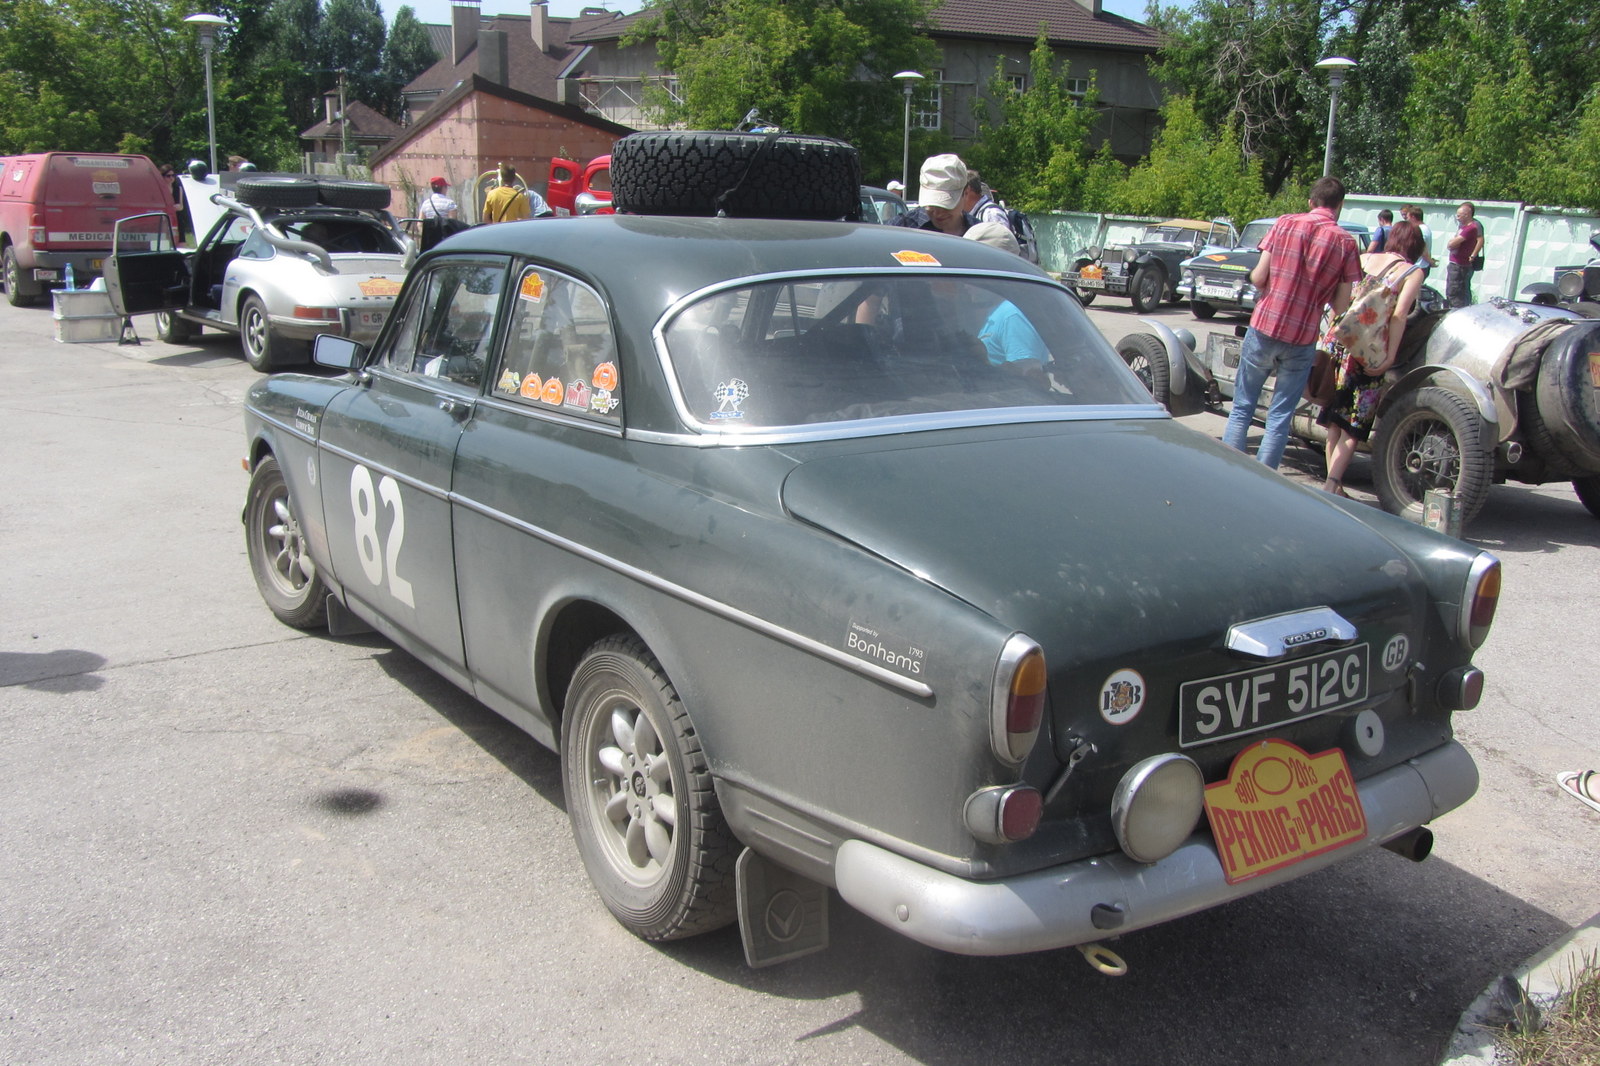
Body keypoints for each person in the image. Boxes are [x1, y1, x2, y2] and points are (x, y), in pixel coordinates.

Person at [1221, 175, 1361, 469]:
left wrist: (1257, 279)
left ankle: (1230, 474)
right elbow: (1341, 305)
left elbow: (1260, 277)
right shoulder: (1346, 243)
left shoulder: (1284, 223)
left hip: (1265, 326)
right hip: (1303, 336)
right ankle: (1265, 482)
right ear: (1339, 206)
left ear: (1311, 202)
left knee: (1243, 407)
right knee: (1280, 416)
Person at [1317, 219, 1428, 496]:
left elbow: (1339, 298)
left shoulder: (1364, 258)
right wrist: (1388, 357)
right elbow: (1399, 315)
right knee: (1354, 425)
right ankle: (1331, 486)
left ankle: (1334, 484)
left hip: (1338, 343)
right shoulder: (1411, 272)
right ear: (1416, 247)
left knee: (1334, 420)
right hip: (1366, 352)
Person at [892, 154, 974, 235]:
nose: (938, 213)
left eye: (946, 206)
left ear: (965, 193)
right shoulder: (901, 227)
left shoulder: (978, 232)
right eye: (932, 205)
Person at [1446, 201, 1483, 308]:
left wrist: (1473, 255)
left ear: (1467, 214)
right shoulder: (1463, 226)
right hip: (1456, 262)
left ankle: (1460, 309)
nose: (1457, 218)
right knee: (1457, 290)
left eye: (1459, 215)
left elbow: (1480, 240)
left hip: (1461, 264)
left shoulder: (1473, 226)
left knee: (1457, 291)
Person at [1402, 204, 1433, 279]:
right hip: (1422, 265)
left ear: (1413, 217)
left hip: (1419, 265)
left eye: (1408, 217)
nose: (1407, 220)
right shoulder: (1425, 228)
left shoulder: (1420, 230)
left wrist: (1431, 262)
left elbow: (1422, 248)